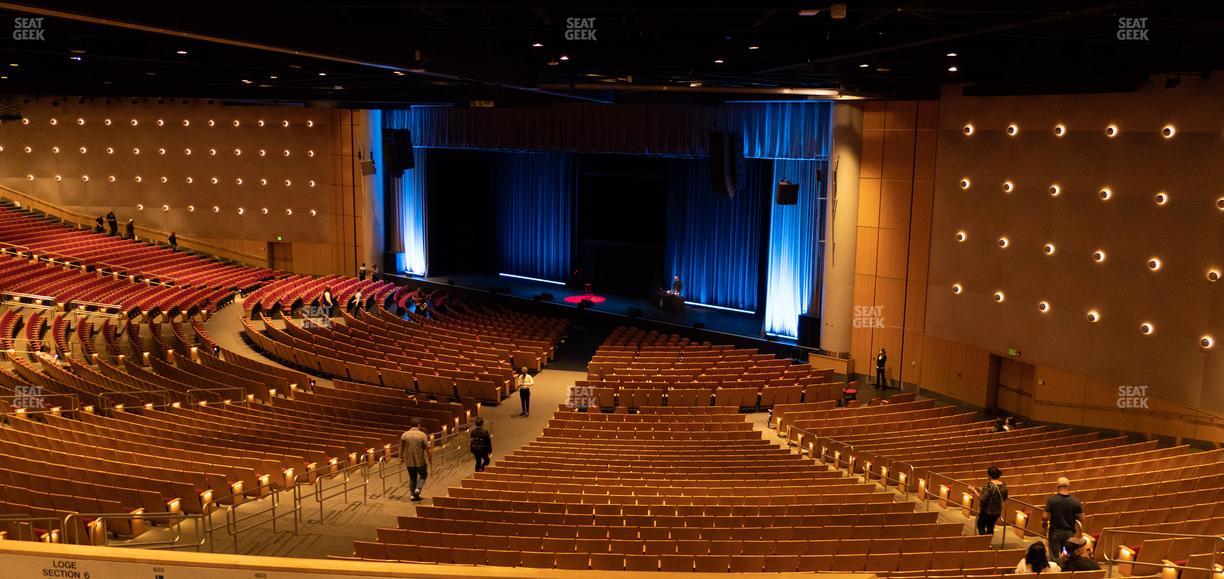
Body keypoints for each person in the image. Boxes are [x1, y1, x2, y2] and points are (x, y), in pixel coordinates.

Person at [1043, 477, 1083, 560]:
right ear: (1069, 487)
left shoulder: (1052, 500)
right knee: (1067, 554)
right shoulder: (1076, 501)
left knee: (1054, 555)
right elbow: (1082, 518)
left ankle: (1056, 569)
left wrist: (1044, 523)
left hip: (1055, 532)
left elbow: (1045, 516)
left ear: (1057, 486)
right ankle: (1065, 570)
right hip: (1069, 532)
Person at [399, 418, 431, 501]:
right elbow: (427, 448)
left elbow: (401, 448)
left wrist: (400, 458)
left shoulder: (404, 435)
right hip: (420, 460)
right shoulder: (422, 435)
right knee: (424, 475)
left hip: (409, 461)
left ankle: (413, 495)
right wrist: (430, 458)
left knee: (412, 478)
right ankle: (418, 489)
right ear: (419, 425)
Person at [971, 466, 1008, 535]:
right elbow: (1005, 498)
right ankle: (988, 541)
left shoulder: (989, 486)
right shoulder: (1003, 485)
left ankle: (984, 542)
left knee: (981, 526)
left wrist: (974, 491)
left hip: (987, 511)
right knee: (990, 527)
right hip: (997, 511)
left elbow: (983, 498)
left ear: (989, 475)